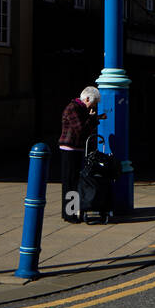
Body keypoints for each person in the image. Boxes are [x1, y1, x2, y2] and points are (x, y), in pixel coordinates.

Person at [58, 86, 102, 223]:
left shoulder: (79, 109)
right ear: (87, 98)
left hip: (76, 149)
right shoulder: (73, 108)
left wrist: (95, 118)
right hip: (69, 150)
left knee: (75, 182)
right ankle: (69, 215)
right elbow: (81, 129)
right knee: (70, 183)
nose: (92, 107)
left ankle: (70, 213)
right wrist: (93, 118)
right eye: (93, 103)